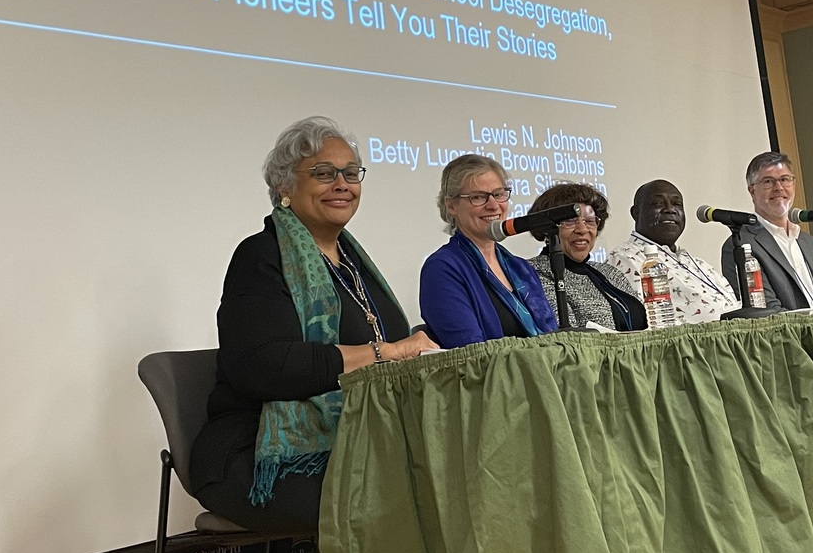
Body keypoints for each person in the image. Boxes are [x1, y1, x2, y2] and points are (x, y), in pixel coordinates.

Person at [189, 116, 437, 531]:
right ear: (285, 187)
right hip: (259, 451)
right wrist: (384, 353)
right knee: (396, 502)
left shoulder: (354, 265)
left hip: (357, 437)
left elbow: (392, 340)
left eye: (351, 173)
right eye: (323, 173)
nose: (342, 184)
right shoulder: (259, 256)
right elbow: (264, 367)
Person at [420, 154, 557, 347]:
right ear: (451, 205)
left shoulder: (521, 268)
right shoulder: (442, 269)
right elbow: (472, 353)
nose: (493, 206)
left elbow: (553, 339)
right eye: (478, 197)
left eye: (499, 194)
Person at [719, 151, 813, 311]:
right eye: (768, 181)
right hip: (792, 334)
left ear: (793, 185)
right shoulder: (740, 245)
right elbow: (766, 312)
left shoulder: (810, 243)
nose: (779, 188)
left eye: (784, 179)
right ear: (752, 191)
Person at [609, 179, 741, 322]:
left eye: (677, 204)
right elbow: (641, 321)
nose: (670, 209)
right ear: (636, 213)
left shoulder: (697, 262)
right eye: (658, 203)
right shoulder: (624, 258)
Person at [526, 182, 646, 331]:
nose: (582, 229)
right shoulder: (532, 273)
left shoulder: (610, 272)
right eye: (570, 221)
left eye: (589, 221)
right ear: (547, 229)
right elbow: (568, 337)